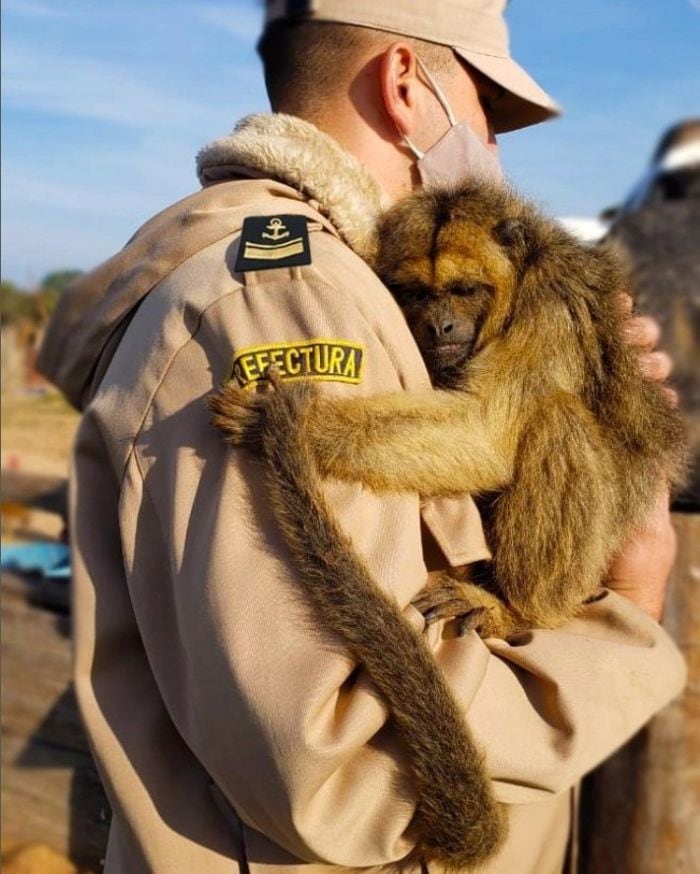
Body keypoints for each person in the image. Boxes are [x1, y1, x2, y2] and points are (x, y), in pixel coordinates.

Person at [37, 2, 686, 872]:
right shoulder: (288, 294)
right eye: (490, 119)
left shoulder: (351, 283)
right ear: (405, 84)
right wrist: (624, 622)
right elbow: (340, 774)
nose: (494, 154)